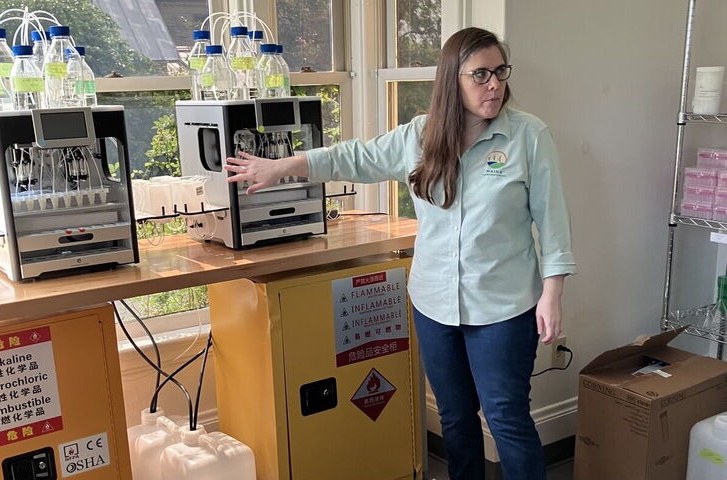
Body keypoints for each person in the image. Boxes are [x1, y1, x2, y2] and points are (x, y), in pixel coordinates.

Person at [224, 27, 576, 480]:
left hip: (503, 308)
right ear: (452, 80)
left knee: (506, 419)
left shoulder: (528, 136)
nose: (494, 85)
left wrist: (552, 293)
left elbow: (552, 220)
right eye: (480, 75)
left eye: (500, 72)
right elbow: (354, 157)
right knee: (455, 418)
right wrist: (283, 166)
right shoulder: (419, 137)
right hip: (433, 305)